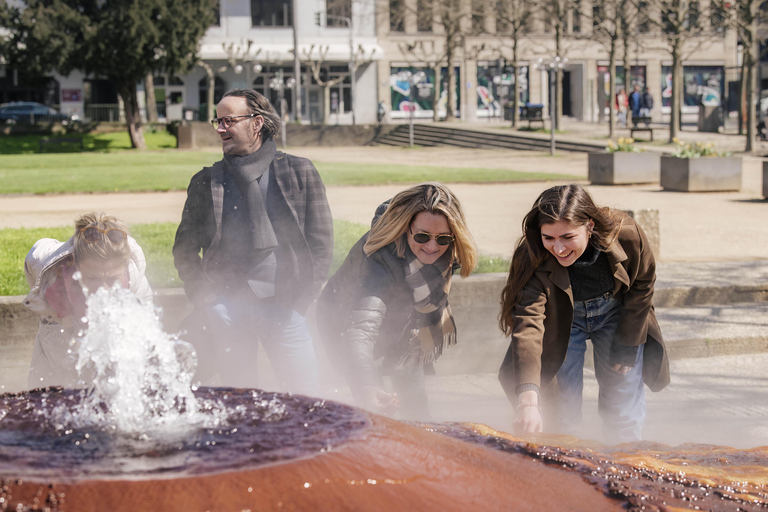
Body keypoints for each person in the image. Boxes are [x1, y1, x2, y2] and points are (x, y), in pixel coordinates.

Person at [173, 88, 333, 396]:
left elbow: (321, 241)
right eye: (218, 121)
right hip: (227, 312)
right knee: (241, 403)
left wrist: (303, 300)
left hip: (286, 308)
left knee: (305, 400)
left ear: (256, 123)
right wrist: (208, 301)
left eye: (228, 121)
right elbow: (184, 249)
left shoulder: (300, 171)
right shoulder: (205, 181)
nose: (220, 129)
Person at [498, 184, 669, 444]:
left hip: (617, 314)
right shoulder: (532, 253)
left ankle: (624, 461)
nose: (558, 248)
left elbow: (642, 283)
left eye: (567, 237)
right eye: (549, 238)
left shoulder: (626, 233)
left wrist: (628, 344)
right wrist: (528, 400)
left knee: (622, 407)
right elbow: (529, 324)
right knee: (562, 411)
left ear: (590, 225)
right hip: (562, 321)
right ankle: (566, 465)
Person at [316, 183, 477, 420]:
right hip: (346, 324)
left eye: (442, 238)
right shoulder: (378, 255)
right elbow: (361, 330)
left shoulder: (448, 248)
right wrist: (368, 387)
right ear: (405, 228)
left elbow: (424, 304)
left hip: (404, 326)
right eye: (422, 236)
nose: (432, 246)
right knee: (376, 408)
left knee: (415, 404)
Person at [23, 212, 153, 388]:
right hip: (56, 338)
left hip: (110, 340)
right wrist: (47, 307)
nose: (103, 289)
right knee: (44, 396)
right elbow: (33, 258)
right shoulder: (49, 266)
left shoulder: (135, 279)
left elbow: (146, 328)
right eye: (92, 278)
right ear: (75, 263)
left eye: (112, 279)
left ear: (124, 269)